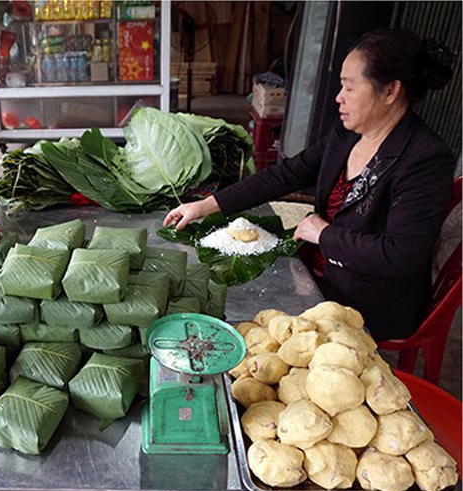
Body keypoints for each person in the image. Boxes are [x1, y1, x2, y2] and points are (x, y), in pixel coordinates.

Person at [164, 29, 456, 342]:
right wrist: (207, 205)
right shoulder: (348, 133)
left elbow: (401, 254)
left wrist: (324, 235)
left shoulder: (424, 159)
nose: (338, 97)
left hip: (367, 303)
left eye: (349, 87)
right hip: (315, 274)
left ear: (390, 92)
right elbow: (286, 174)